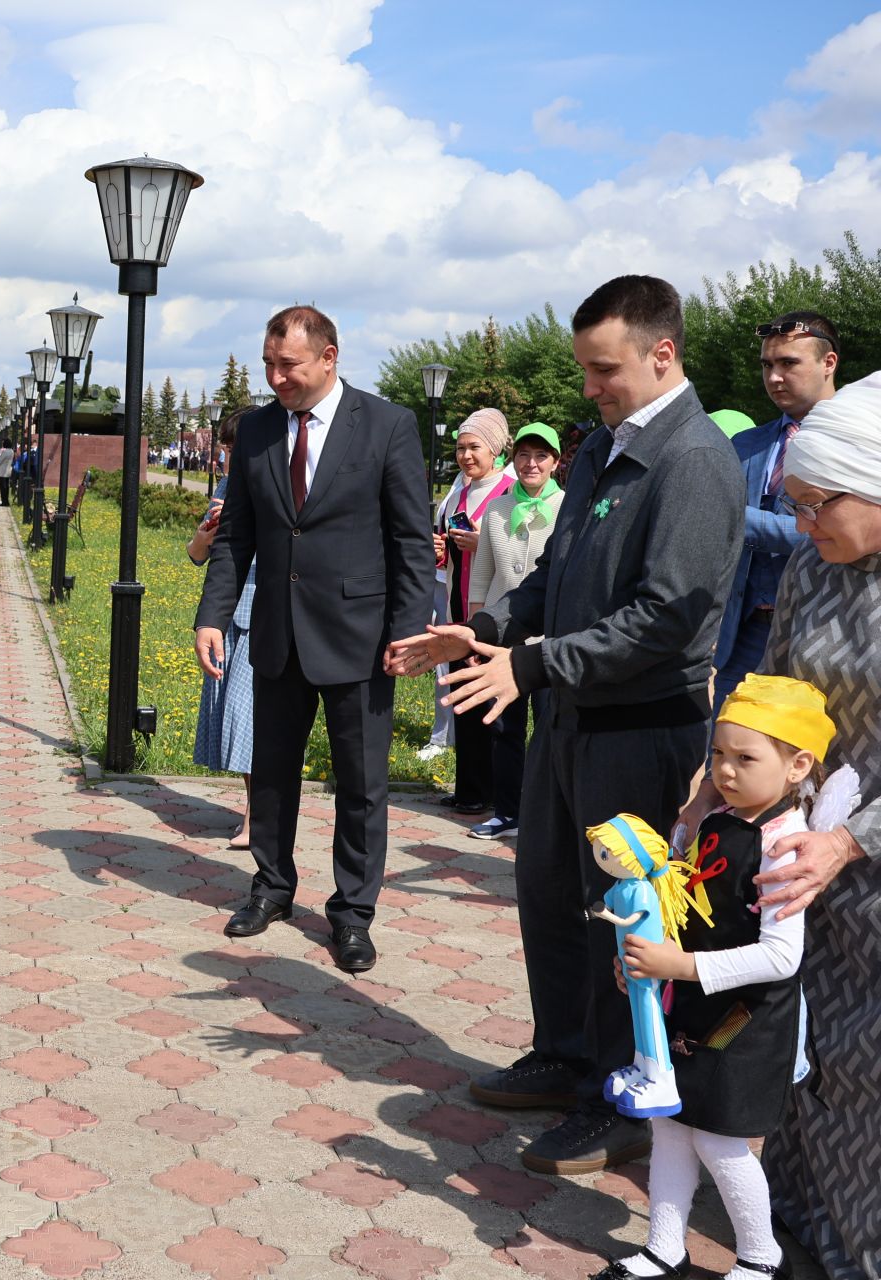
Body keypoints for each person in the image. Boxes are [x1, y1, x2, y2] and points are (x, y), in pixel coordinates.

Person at [387, 275, 745, 1175]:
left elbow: (666, 620)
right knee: (549, 894)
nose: (589, 386)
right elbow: (555, 574)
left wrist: (534, 664)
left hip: (639, 729)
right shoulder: (602, 451)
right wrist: (490, 630)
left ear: (662, 354)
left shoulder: (695, 461)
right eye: (586, 369)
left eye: (604, 368)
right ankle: (566, 1054)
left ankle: (621, 1095)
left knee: (617, 922)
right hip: (571, 720)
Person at [675, 372, 881, 1279]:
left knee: (868, 1071)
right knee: (800, 1046)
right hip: (796, 848)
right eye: (791, 505)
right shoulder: (813, 564)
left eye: (815, 505)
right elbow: (779, 688)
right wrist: (715, 783)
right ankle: (793, 1220)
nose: (800, 525)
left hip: (861, 852)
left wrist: (850, 839)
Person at [194, 305, 434, 975]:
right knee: (270, 776)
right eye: (269, 365)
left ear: (329, 357)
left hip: (361, 637)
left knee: (361, 784)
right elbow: (236, 532)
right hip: (276, 631)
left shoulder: (387, 426)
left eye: (289, 366)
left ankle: (352, 914)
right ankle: (271, 887)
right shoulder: (259, 431)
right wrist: (211, 615)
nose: (276, 378)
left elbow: (411, 539)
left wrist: (409, 631)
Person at [595, 676, 838, 1280]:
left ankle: (761, 1257)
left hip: (745, 1021)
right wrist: (643, 964)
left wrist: (681, 967)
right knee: (671, 1126)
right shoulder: (714, 821)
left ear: (796, 765)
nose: (725, 771)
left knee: (719, 1140)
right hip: (692, 1004)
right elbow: (676, 909)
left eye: (745, 758)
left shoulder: (786, 845)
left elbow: (781, 958)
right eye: (719, 756)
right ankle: (664, 1247)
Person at [712, 313, 837, 714]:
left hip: (825, 635)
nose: (775, 377)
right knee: (730, 763)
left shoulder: (861, 441)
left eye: (789, 364)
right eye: (768, 365)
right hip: (744, 638)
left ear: (828, 363)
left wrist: (738, 520)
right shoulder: (745, 444)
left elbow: (835, 532)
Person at [464, 423, 565, 840]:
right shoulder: (498, 508)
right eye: (523, 454)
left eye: (541, 455)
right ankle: (507, 812)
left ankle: (545, 814)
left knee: (548, 726)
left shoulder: (569, 506)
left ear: (556, 462)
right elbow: (481, 575)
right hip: (501, 631)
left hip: (549, 636)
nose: (531, 463)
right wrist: (473, 634)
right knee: (503, 727)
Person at [436, 410, 516, 818]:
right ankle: (468, 788)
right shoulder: (458, 491)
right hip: (457, 606)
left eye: (475, 447)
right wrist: (443, 549)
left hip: (493, 612)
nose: (466, 456)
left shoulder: (510, 489)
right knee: (463, 698)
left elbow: (520, 552)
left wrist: (480, 544)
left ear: (496, 448)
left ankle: (496, 795)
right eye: (461, 448)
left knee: (491, 703)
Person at [188, 414, 256, 849]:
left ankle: (258, 819)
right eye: (225, 449)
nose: (227, 458)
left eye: (234, 450)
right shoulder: (226, 488)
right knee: (233, 719)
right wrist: (206, 534)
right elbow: (196, 555)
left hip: (262, 614)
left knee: (247, 719)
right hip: (227, 617)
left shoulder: (277, 488)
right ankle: (256, 811)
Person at [0, 441, 16, 507]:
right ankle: (6, 501)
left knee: (2, 488)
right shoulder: (11, 451)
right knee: (6, 488)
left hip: (2, 472)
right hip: (8, 471)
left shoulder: (5, 452)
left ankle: (4, 502)